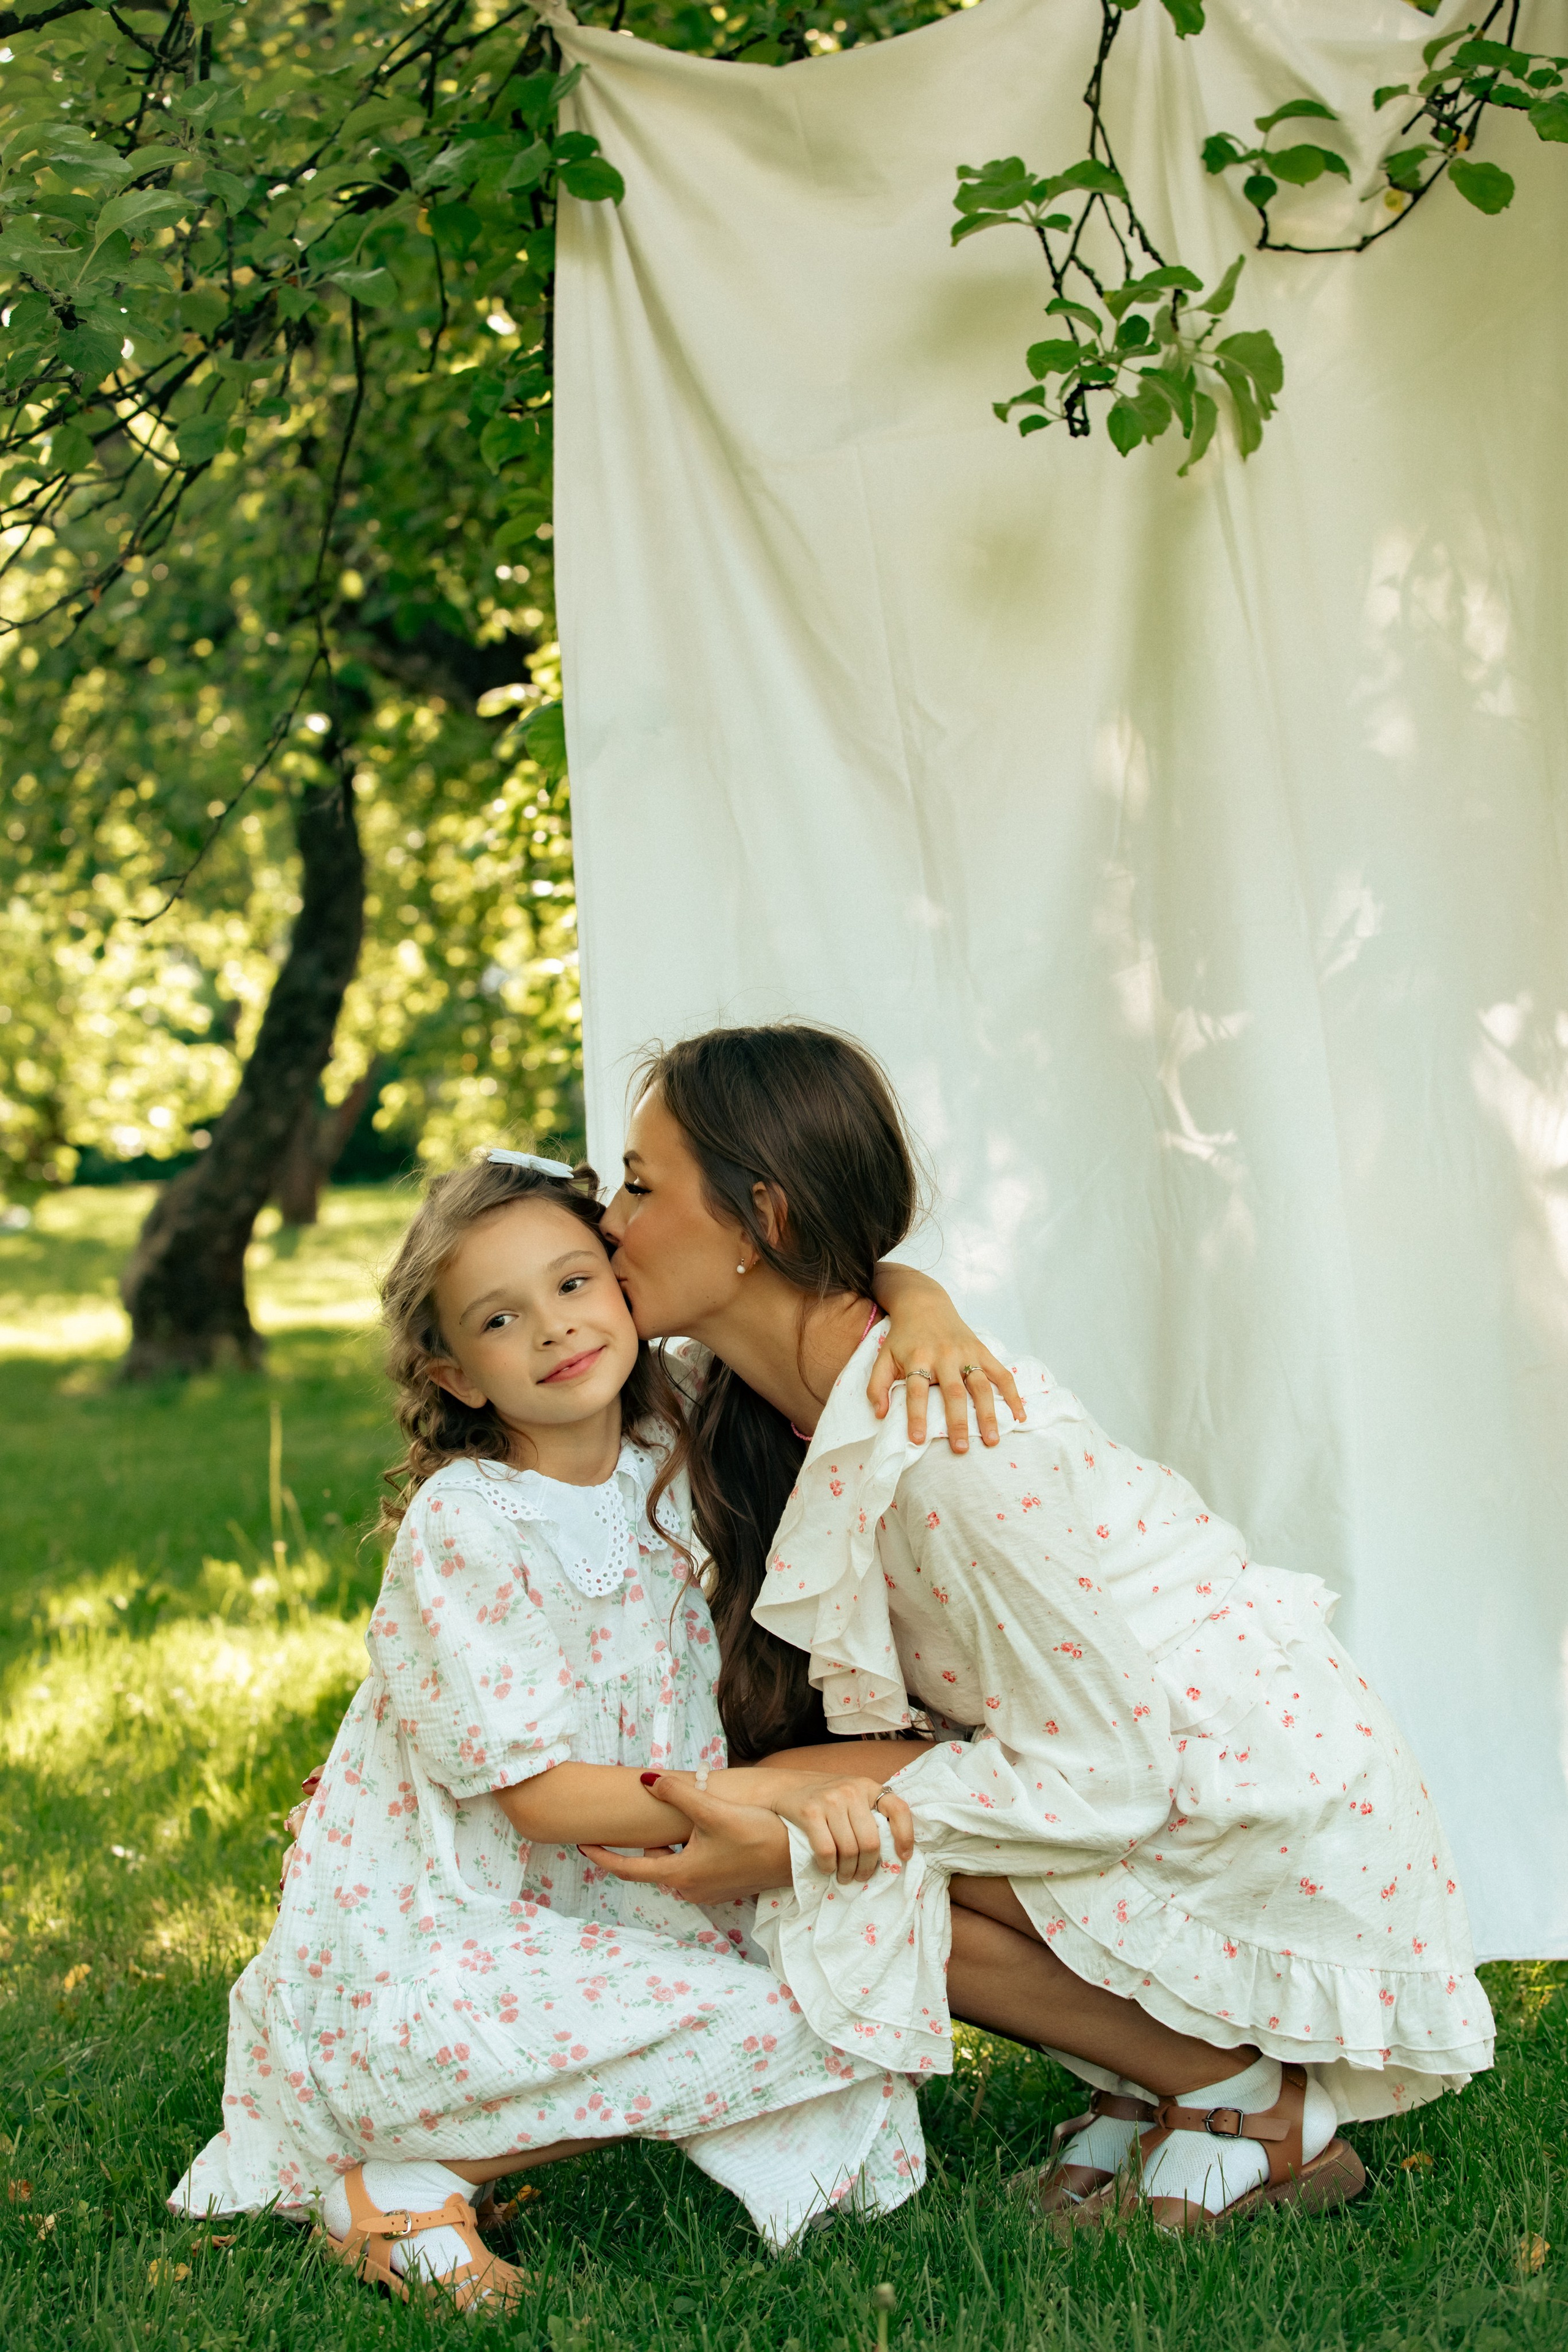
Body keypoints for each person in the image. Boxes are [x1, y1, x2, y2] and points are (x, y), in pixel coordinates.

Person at [582, 1023, 1494, 2235]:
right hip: (1135, 1760)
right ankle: (1151, 2077)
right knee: (771, 1798)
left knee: (803, 1830)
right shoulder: (769, 1392)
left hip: (1248, 1802)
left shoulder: (952, 1458)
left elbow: (1112, 1771)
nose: (608, 1223)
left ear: (762, 1221)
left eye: (640, 1189)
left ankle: (1243, 2102)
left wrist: (804, 1841)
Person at [170, 1150, 1025, 2305]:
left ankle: (486, 2132)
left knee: (855, 1995)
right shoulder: (467, 1524)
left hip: (637, 1890)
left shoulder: (665, 1448)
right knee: (818, 2018)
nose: (556, 1330)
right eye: (501, 1318)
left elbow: (832, 1285)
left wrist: (925, 1308)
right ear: (458, 1376)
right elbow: (540, 1800)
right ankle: (407, 2178)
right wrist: (765, 1799)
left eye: (575, 1284)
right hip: (460, 1928)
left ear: (623, 1287)